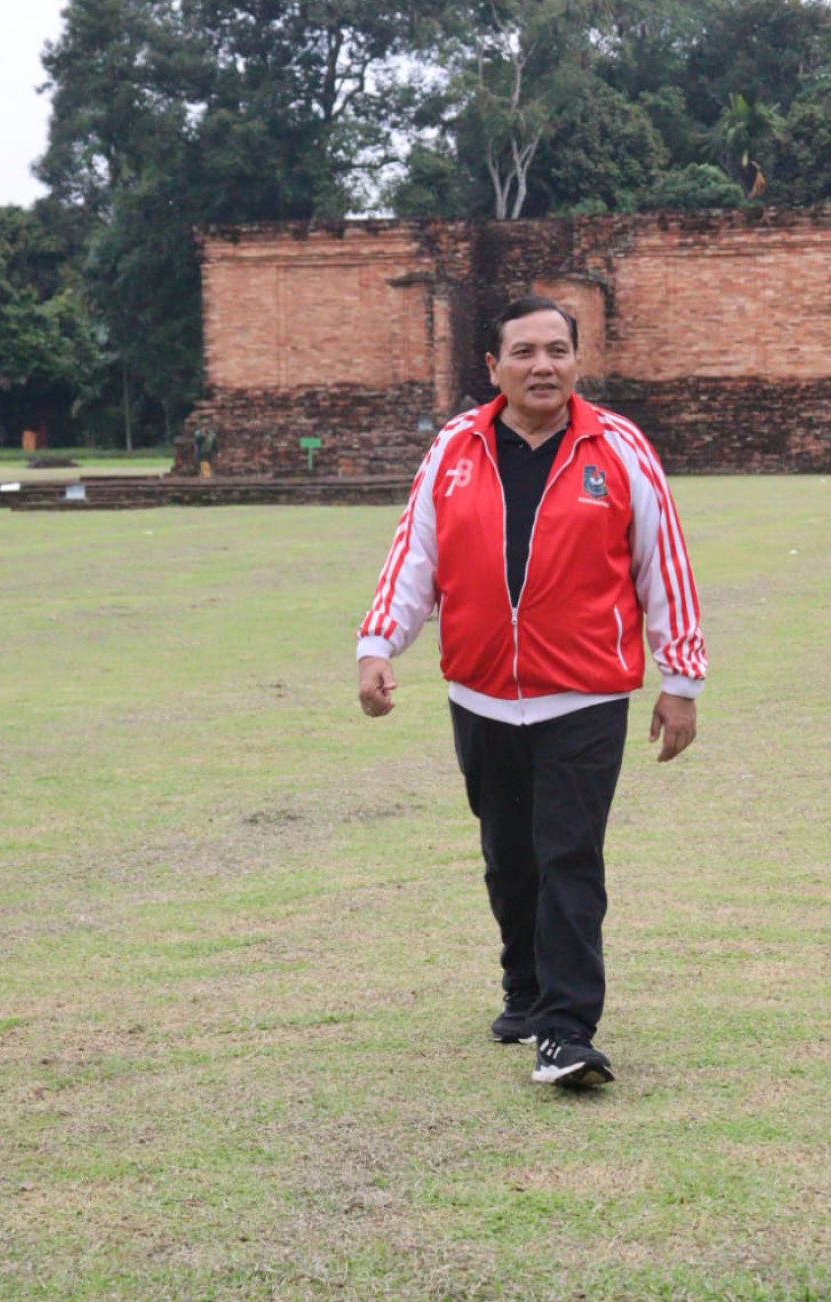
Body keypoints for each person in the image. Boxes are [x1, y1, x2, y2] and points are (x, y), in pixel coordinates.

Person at [356, 295, 706, 1090]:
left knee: (569, 857)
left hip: (584, 696)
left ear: (578, 362)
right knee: (508, 857)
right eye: (523, 352)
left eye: (557, 350)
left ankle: (566, 1028)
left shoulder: (617, 446)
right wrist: (379, 644)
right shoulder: (456, 446)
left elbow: (665, 565)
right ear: (493, 367)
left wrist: (679, 681)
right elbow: (417, 555)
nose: (541, 366)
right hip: (480, 695)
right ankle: (524, 990)